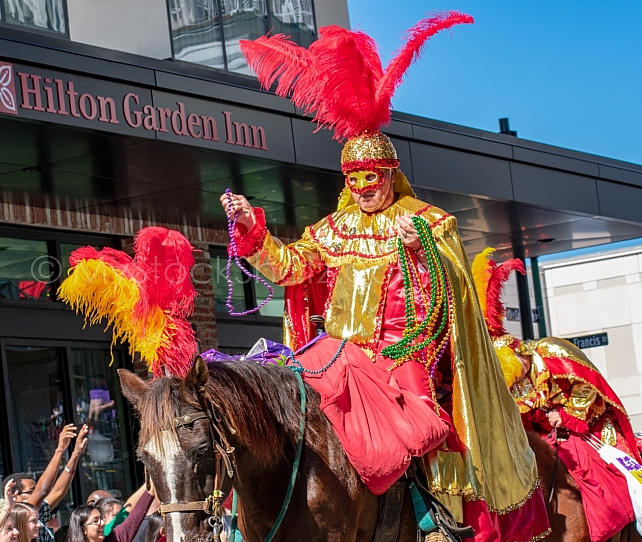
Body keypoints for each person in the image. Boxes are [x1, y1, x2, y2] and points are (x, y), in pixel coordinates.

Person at [226, 15, 548, 542]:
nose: (362, 187)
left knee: (424, 429)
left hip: (402, 355)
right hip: (335, 352)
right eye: (352, 179)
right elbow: (290, 266)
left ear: (389, 173)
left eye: (370, 178)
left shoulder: (427, 220)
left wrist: (427, 254)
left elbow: (452, 288)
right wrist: (251, 230)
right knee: (286, 406)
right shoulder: (332, 228)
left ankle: (436, 519)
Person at [473, 248, 639, 542]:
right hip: (538, 437)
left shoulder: (552, 353)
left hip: (584, 428)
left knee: (594, 473)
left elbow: (591, 391)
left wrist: (562, 415)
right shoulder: (497, 378)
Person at [3, 424, 88, 542]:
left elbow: (58, 491)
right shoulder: (13, 518)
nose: (35, 495)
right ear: (14, 497)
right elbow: (42, 491)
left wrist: (75, 454)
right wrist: (59, 450)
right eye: (31, 492)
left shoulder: (36, 514)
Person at [68, 484, 154, 542]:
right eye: (95, 521)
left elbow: (136, 515)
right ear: (83, 530)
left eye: (101, 518)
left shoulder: (114, 538)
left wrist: (151, 487)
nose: (102, 523)